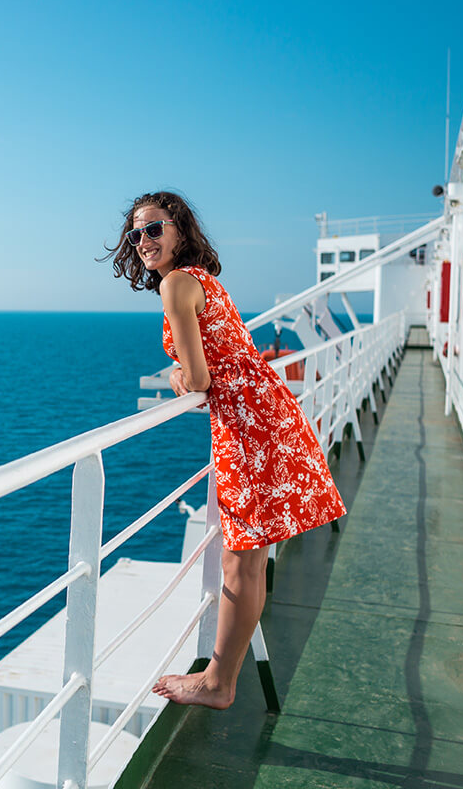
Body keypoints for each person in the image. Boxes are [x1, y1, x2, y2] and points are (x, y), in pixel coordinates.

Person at [101, 190, 346, 709]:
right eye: (135, 234)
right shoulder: (204, 281)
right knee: (249, 561)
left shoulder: (175, 284)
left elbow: (199, 379)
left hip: (246, 427)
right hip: (266, 414)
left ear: (180, 231)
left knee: (241, 563)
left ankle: (218, 682)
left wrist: (175, 377)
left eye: (154, 228)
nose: (143, 240)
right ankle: (222, 678)